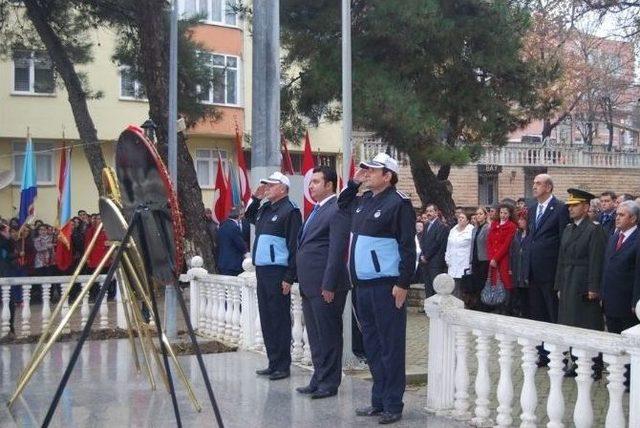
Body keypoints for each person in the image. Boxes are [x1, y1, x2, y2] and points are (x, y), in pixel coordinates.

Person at [338, 152, 415, 425]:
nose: (367, 173)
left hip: (386, 286)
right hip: (362, 286)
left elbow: (408, 248)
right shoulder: (365, 199)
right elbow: (341, 205)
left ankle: (393, 404)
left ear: (388, 175)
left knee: (390, 346)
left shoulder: (399, 203)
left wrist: (403, 283)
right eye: (365, 170)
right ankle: (378, 400)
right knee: (371, 345)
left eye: (372, 170)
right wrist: (353, 182)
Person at [295, 166, 350, 399]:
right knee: (315, 336)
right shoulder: (316, 210)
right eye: (311, 182)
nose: (311, 186)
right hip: (310, 284)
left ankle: (329, 383)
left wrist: (328, 284)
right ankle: (318, 378)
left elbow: (337, 251)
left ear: (329, 185)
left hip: (327, 286)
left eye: (316, 182)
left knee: (328, 335)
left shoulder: (336, 209)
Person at [245, 171, 302, 381]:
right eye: (266, 185)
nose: (267, 188)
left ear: (282, 188)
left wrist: (289, 276)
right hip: (262, 270)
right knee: (267, 318)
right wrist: (256, 197)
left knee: (279, 319)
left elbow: (294, 246)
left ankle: (283, 365)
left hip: (278, 271)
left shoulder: (290, 210)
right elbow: (249, 217)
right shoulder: (266, 208)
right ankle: (272, 362)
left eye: (270, 185)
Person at [555, 189, 606, 378]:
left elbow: (596, 260)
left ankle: (594, 365)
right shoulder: (569, 228)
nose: (571, 209)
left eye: (575, 205)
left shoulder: (594, 229)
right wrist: (558, 284)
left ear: (585, 207)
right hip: (568, 280)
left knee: (588, 322)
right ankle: (576, 362)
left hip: (583, 281)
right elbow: (561, 258)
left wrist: (594, 287)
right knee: (570, 321)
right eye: (569, 205)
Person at [525, 174, 569, 366]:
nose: (534, 186)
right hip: (534, 270)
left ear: (549, 187)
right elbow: (531, 238)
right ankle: (542, 354)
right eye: (533, 183)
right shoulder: (533, 208)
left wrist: (560, 273)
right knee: (537, 314)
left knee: (552, 313)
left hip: (551, 271)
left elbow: (563, 242)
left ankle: (557, 354)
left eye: (538, 183)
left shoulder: (560, 208)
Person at [487, 203, 518, 314]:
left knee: (505, 283)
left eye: (505, 213)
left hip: (504, 260)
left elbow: (506, 245)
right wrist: (491, 258)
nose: (503, 215)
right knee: (495, 283)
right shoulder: (494, 224)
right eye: (501, 213)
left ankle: (506, 308)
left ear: (509, 214)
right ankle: (497, 306)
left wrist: (496, 258)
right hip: (493, 261)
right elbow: (489, 242)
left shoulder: (512, 226)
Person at [418, 204, 448, 298]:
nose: (428, 213)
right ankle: (428, 306)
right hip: (425, 262)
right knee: (427, 286)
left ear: (436, 212)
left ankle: (435, 308)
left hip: (435, 262)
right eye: (427, 211)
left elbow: (437, 243)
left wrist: (427, 256)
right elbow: (422, 241)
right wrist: (422, 255)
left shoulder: (441, 226)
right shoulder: (426, 225)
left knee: (435, 286)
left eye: (431, 211)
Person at [444, 211, 474, 299]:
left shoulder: (471, 230)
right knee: (453, 284)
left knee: (461, 285)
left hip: (464, 261)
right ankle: (453, 303)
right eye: (459, 217)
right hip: (453, 261)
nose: (460, 219)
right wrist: (447, 258)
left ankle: (462, 304)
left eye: (462, 218)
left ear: (467, 220)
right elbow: (449, 245)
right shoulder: (453, 230)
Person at [468, 207, 490, 309]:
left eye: (481, 214)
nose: (478, 216)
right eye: (477, 214)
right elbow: (472, 245)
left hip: (484, 259)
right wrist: (470, 259)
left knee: (482, 282)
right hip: (475, 259)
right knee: (475, 282)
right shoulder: (474, 229)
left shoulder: (488, 228)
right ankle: (476, 303)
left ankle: (484, 304)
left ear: (485, 215)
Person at [216, 206, 248, 276]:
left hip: (222, 262)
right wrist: (247, 253)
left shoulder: (222, 225)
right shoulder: (234, 227)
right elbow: (240, 244)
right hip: (233, 264)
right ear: (240, 215)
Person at [509, 210, 529, 318]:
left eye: (522, 219)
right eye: (519, 219)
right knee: (518, 293)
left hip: (525, 269)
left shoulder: (531, 235)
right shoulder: (517, 234)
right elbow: (512, 251)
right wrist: (511, 267)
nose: (520, 222)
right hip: (517, 268)